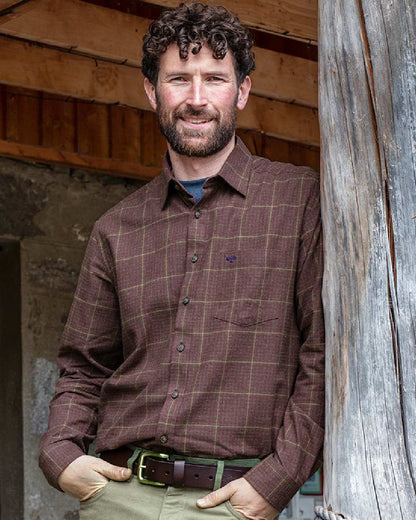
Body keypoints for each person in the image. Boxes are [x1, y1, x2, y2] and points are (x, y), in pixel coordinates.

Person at [39, 3, 325, 519]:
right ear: (152, 91)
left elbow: (323, 354)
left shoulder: (301, 201)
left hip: (232, 500)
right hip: (117, 495)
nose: (196, 99)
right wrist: (61, 455)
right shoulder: (116, 228)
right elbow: (83, 367)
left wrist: (279, 478)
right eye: (178, 79)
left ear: (241, 91)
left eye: (215, 78)